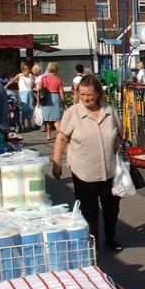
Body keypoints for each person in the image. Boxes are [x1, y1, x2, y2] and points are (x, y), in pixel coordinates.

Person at [52, 75, 123, 252]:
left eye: (89, 95)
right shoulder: (73, 113)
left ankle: (110, 237)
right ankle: (92, 243)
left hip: (109, 169)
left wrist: (117, 144)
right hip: (83, 170)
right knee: (89, 211)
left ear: (98, 93)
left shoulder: (110, 111)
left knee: (111, 207)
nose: (86, 98)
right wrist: (56, 162)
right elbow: (62, 138)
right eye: (82, 95)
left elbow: (119, 134)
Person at [39, 62, 65, 141]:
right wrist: (63, 101)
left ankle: (48, 135)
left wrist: (37, 101)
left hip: (46, 98)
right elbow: (61, 91)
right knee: (57, 117)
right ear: (56, 70)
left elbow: (40, 89)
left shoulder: (44, 78)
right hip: (56, 97)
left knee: (47, 118)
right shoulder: (58, 79)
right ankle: (59, 132)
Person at [5, 65, 34, 130]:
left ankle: (29, 122)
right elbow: (12, 81)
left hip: (30, 91)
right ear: (23, 70)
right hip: (23, 92)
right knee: (25, 107)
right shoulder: (20, 75)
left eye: (28, 69)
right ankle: (23, 121)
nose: (28, 71)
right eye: (26, 70)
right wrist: (6, 86)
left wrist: (32, 79)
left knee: (31, 107)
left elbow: (32, 85)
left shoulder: (30, 76)